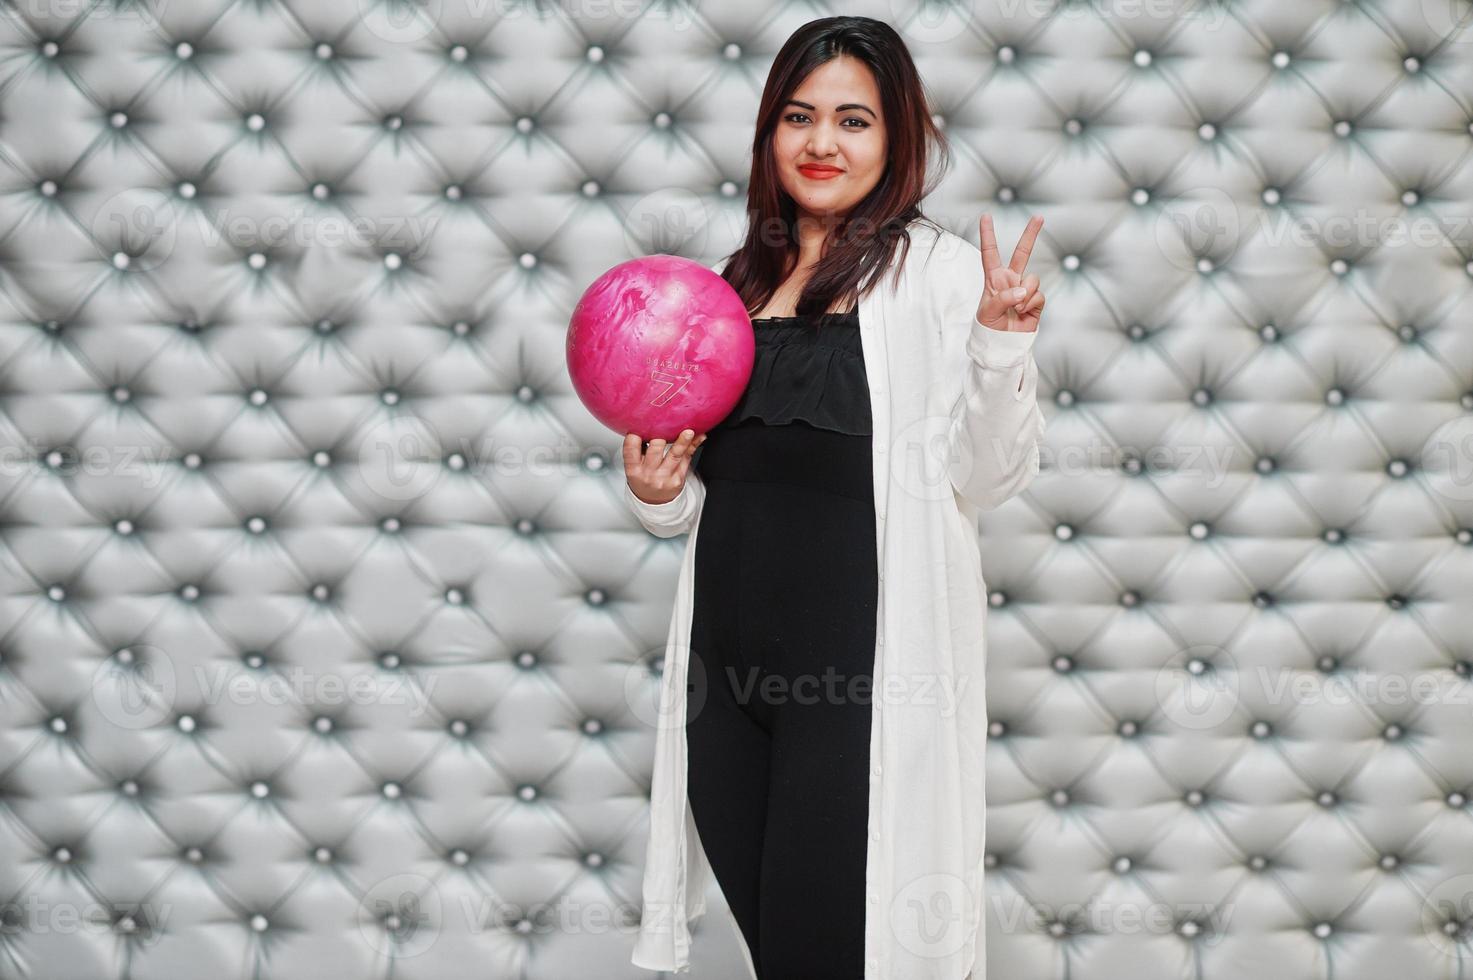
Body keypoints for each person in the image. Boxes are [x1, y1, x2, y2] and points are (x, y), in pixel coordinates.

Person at [622, 15, 1046, 980]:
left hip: (853, 685)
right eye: (798, 117)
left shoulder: (940, 277)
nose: (821, 144)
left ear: (897, 137)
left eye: (853, 121)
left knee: (827, 951)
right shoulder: (732, 286)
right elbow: (715, 498)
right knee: (782, 956)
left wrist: (1000, 344)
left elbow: (988, 477)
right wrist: (657, 496)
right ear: (769, 132)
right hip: (720, 687)